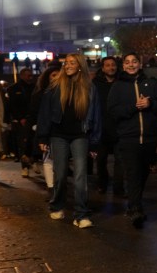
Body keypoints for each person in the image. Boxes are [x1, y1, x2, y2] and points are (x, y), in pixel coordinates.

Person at [36, 54, 101, 229]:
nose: (68, 66)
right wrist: (42, 136)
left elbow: (95, 116)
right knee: (61, 174)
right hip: (58, 135)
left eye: (72, 63)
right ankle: (57, 206)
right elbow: (45, 112)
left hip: (80, 135)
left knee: (80, 175)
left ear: (80, 66)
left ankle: (81, 214)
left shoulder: (90, 87)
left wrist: (94, 142)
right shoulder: (55, 85)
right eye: (66, 63)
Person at [107, 53, 157, 228]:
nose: (131, 65)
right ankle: (135, 208)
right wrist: (133, 107)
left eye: (134, 61)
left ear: (140, 64)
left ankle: (134, 203)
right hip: (128, 138)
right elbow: (112, 111)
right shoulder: (118, 86)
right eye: (127, 62)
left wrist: (151, 104)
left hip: (149, 139)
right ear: (123, 66)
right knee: (133, 173)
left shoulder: (151, 83)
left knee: (143, 173)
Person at [92, 56, 124, 196]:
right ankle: (102, 184)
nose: (111, 67)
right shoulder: (96, 84)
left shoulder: (122, 82)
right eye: (108, 65)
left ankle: (118, 188)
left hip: (119, 127)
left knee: (120, 160)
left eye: (113, 65)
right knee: (101, 160)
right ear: (103, 68)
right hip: (101, 128)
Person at [28, 65, 62, 193]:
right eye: (53, 75)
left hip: (61, 131)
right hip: (46, 130)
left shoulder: (68, 92)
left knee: (60, 161)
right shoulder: (40, 94)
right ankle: (51, 187)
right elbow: (35, 113)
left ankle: (58, 186)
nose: (57, 78)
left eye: (59, 75)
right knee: (48, 159)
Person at [6, 66, 35, 177]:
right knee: (23, 144)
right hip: (21, 121)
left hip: (31, 119)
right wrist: (20, 118)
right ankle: (25, 166)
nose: (30, 77)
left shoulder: (34, 87)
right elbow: (12, 106)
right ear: (22, 76)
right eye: (28, 75)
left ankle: (32, 161)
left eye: (31, 75)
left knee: (32, 143)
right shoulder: (14, 89)